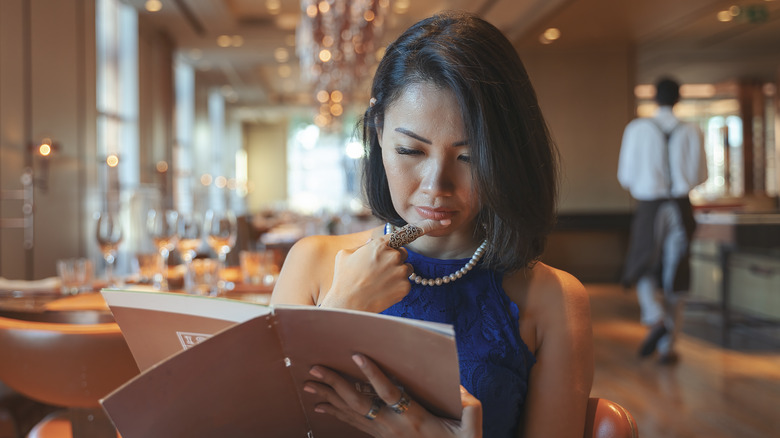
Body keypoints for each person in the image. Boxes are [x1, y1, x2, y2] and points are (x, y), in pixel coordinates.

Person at [272, 10, 593, 438]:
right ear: (378, 132)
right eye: (411, 151)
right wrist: (337, 311)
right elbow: (260, 421)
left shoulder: (554, 301)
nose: (436, 186)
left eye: (470, 157)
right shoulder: (312, 265)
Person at [618, 77, 708, 364]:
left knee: (642, 260)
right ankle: (669, 348)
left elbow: (626, 176)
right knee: (676, 270)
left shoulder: (637, 128)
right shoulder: (692, 130)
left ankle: (655, 317)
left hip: (650, 204)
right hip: (681, 206)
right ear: (679, 98)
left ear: (654, 98)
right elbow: (701, 176)